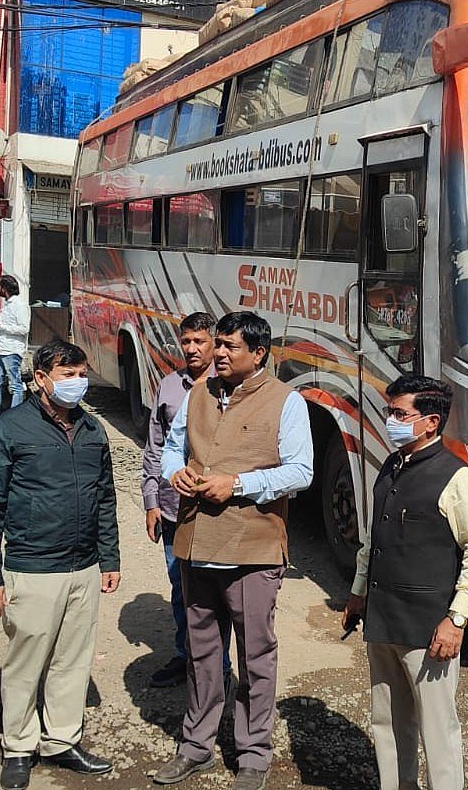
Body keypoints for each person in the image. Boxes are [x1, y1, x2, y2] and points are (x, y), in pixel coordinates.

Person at [153, 311, 313, 790]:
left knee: (256, 657)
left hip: (253, 549)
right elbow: (171, 447)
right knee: (202, 655)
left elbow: (301, 471)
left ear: (258, 353)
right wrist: (172, 474)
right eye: (217, 344)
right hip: (196, 542)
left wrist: (240, 484)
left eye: (229, 347)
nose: (218, 353)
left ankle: (252, 755)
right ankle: (196, 747)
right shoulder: (197, 392)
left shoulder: (287, 402)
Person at [0, 339, 121, 790]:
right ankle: (18, 746)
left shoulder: (94, 431)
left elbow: (106, 499)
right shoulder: (8, 430)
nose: (77, 382)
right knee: (26, 661)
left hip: (83, 567)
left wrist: (109, 557)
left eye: (81, 373)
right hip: (32, 567)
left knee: (72, 661)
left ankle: (61, 740)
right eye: (67, 374)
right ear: (40, 379)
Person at [342, 375, 468, 790]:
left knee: (437, 727)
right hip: (383, 618)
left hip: (428, 628)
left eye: (398, 413)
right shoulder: (392, 464)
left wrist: (456, 620)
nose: (390, 419)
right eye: (390, 410)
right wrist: (358, 593)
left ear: (430, 422)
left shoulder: (457, 479)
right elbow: (374, 537)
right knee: (387, 720)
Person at [142, 311, 231, 688]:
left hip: (215, 510)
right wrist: (151, 501)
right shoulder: (169, 385)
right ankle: (187, 657)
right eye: (187, 341)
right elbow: (154, 446)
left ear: (215, 344)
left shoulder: (228, 386)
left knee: (218, 593)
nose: (192, 349)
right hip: (173, 508)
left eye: (200, 342)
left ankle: (220, 667)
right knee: (181, 587)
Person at [0, 275, 30, 420]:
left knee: (15, 385)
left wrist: (2, 326)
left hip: (11, 350)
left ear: (4, 288)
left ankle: (15, 417)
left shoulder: (20, 305)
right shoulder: (7, 305)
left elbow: (24, 328)